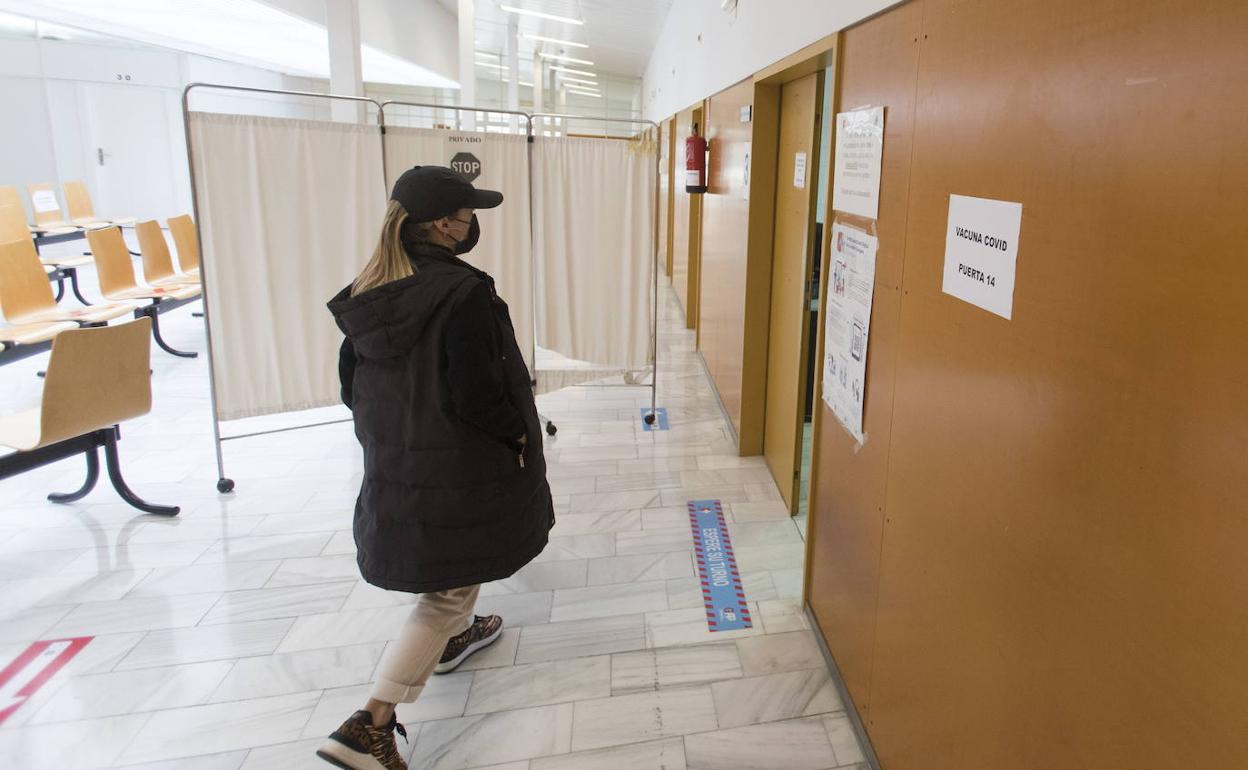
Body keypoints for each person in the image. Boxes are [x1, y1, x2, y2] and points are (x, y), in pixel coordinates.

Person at [320, 166, 555, 770]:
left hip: (399, 457)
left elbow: (352, 386)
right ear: (447, 224)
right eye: (469, 213)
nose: (473, 222)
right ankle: (368, 723)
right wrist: (515, 436)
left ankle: (453, 642)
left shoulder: (371, 289)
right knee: (449, 587)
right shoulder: (463, 294)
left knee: (450, 557)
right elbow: (480, 395)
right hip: (455, 459)